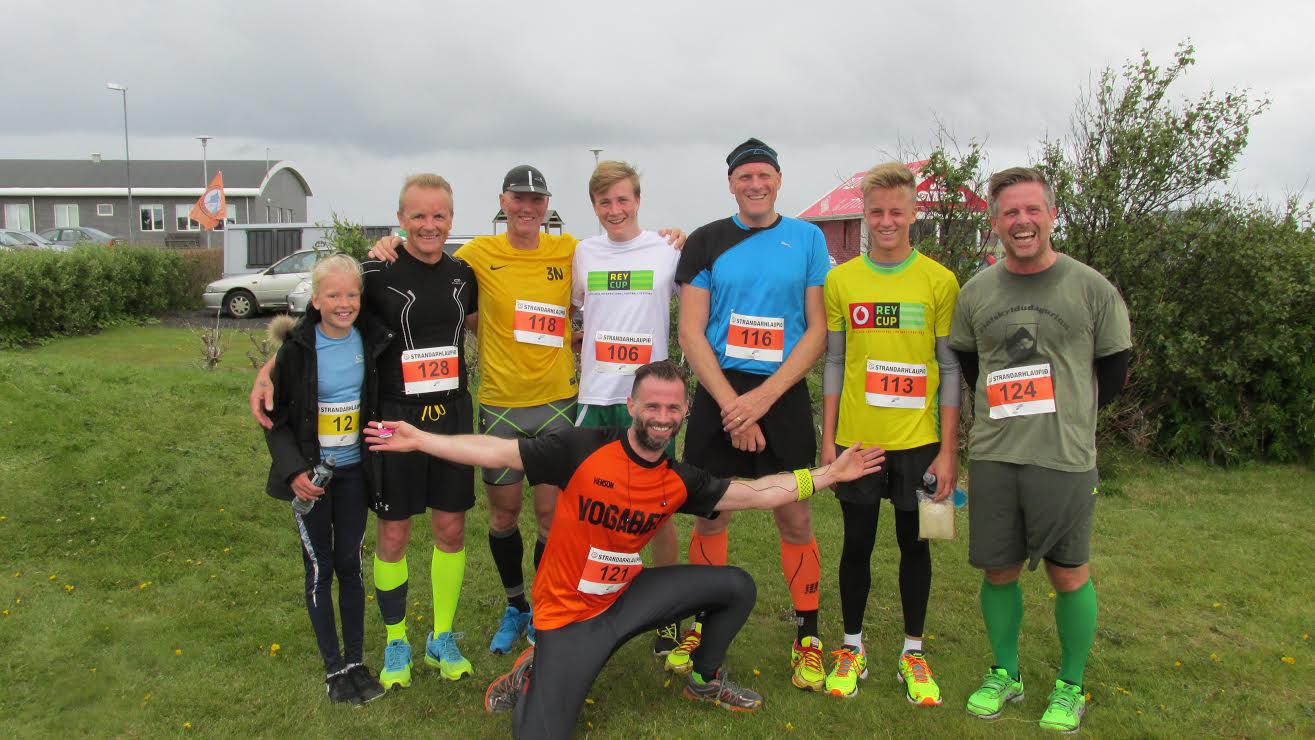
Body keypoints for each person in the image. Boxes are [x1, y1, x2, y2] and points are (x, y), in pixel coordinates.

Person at [362, 360, 887, 739]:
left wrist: (830, 474)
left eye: (672, 407)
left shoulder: (680, 478)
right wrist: (422, 440)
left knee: (735, 586)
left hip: (626, 599)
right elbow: (498, 450)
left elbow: (754, 493)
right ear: (632, 405)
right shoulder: (583, 447)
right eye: (652, 405)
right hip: (567, 618)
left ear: (683, 412)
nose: (661, 416)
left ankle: (704, 681)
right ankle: (533, 673)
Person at [367, 166, 683, 657]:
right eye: (518, 199)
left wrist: (673, 236)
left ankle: (544, 607)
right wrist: (388, 244)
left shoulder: (572, 250)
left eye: (536, 201)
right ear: (503, 201)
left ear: (548, 205)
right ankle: (514, 603)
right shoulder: (476, 254)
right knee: (503, 513)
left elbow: (597, 300)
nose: (527, 208)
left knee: (552, 514)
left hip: (559, 401)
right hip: (500, 403)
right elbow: (429, 264)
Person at [253, 174, 481, 690]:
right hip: (392, 418)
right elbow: (326, 318)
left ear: (451, 218)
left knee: (451, 530)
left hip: (450, 417)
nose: (429, 225)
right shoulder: (376, 270)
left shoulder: (465, 274)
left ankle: (442, 636)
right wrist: (271, 367)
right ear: (400, 219)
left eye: (439, 215)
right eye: (418, 215)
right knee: (394, 533)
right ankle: (396, 638)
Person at [948, 167, 1131, 733]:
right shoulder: (976, 292)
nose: (1021, 222)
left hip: (1065, 456)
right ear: (995, 221)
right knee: (998, 569)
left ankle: (1070, 685)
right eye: (1009, 212)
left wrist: (1067, 412)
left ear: (1052, 215)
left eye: (1032, 210)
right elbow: (971, 369)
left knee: (1068, 571)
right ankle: (1005, 673)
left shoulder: (1091, 288)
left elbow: (1114, 371)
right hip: (996, 455)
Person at [672, 138, 832, 691]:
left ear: (779, 180)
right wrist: (730, 406)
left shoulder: (808, 238)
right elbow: (690, 331)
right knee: (711, 513)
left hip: (781, 392)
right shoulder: (706, 240)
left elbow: (817, 329)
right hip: (719, 388)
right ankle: (699, 623)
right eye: (745, 177)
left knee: (794, 515)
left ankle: (807, 635)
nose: (755, 184)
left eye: (764, 175)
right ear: (732, 184)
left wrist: (760, 402)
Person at [819, 161, 962, 703]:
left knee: (915, 547)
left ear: (912, 214)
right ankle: (851, 648)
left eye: (895, 212)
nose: (885, 221)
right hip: (859, 442)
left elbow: (949, 370)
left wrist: (949, 450)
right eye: (875, 212)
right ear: (863, 214)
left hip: (919, 442)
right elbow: (834, 362)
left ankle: (912, 654)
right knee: (856, 545)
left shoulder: (939, 280)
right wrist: (828, 440)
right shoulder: (841, 279)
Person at [262, 253, 388, 705]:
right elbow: (274, 421)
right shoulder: (296, 350)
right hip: (312, 478)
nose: (344, 303)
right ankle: (333, 668)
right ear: (315, 300)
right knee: (320, 570)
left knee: (350, 567)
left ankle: (355, 661)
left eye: (352, 294)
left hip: (354, 472)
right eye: (333, 295)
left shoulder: (370, 340)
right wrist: (294, 471)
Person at [571, 160, 683, 656]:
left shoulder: (668, 251)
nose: (614, 210)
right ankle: (592, 607)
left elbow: (700, 303)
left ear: (638, 200)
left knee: (660, 513)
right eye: (604, 202)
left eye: (622, 200)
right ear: (594, 207)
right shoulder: (582, 253)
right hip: (596, 397)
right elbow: (572, 308)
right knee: (594, 510)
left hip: (650, 403)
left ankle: (667, 615)